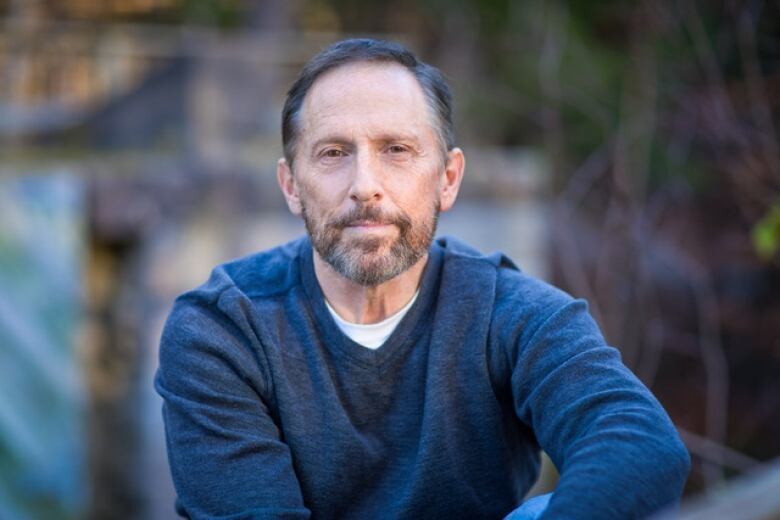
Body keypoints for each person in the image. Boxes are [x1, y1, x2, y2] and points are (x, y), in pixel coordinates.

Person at [155, 38, 690, 519]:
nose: (366, 185)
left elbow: (638, 443)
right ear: (291, 185)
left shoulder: (513, 314)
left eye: (397, 150)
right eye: (334, 153)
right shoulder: (222, 330)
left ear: (448, 179)